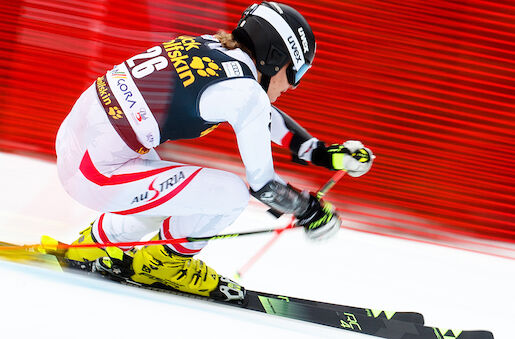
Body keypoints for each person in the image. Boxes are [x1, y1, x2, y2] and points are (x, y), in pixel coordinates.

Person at [55, 2, 373, 301]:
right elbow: (264, 185)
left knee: (180, 196)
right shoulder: (246, 91)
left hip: (83, 150)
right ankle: (166, 264)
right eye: (296, 73)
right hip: (95, 172)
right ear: (275, 57)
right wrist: (310, 211)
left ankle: (98, 245)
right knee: (231, 193)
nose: (292, 86)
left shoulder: (213, 48)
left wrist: (323, 153)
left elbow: (264, 117)